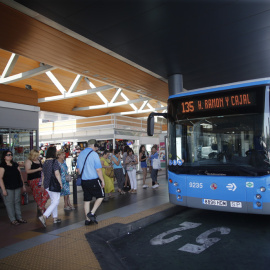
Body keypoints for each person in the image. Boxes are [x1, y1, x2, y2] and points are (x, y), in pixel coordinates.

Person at [76, 139, 105, 225]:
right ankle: (91, 213)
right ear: (94, 145)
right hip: (93, 180)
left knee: (87, 199)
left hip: (84, 181)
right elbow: (98, 170)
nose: (96, 148)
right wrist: (102, 180)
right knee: (101, 196)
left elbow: (78, 169)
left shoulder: (80, 154)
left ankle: (87, 220)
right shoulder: (94, 154)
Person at [0, 150, 27, 225]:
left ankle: (19, 218)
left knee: (17, 202)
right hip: (8, 187)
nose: (10, 156)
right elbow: (0, 178)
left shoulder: (15, 164)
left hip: (16, 186)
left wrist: (23, 185)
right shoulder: (2, 166)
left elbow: (20, 175)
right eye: (8, 155)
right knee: (9, 203)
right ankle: (13, 219)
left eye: (11, 154)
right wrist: (3, 190)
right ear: (4, 157)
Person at [39, 146, 63, 227]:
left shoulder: (45, 162)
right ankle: (44, 216)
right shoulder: (54, 161)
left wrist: (42, 184)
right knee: (56, 201)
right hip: (54, 184)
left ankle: (55, 218)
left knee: (53, 201)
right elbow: (57, 173)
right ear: (53, 152)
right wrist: (60, 183)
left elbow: (43, 175)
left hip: (47, 184)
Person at [25, 149, 49, 214]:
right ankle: (43, 210)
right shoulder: (29, 161)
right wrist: (37, 169)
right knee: (37, 194)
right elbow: (27, 171)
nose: (37, 157)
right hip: (33, 179)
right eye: (35, 156)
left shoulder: (39, 160)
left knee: (46, 192)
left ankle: (41, 206)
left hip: (41, 178)